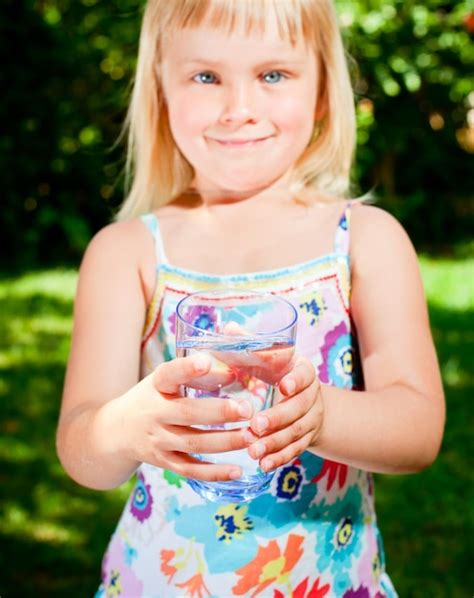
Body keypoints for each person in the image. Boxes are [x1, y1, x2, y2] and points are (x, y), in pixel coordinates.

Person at [56, 1, 445, 596]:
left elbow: (418, 430)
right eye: (206, 77)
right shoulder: (127, 253)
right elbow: (83, 452)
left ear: (320, 90)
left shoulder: (365, 241)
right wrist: (124, 429)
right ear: (161, 89)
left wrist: (322, 416)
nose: (239, 109)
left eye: (272, 75)